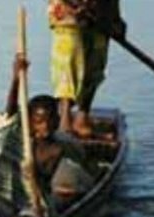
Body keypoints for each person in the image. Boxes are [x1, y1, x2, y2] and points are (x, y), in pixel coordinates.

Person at [0, 54, 96, 217]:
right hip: (7, 193)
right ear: (29, 121)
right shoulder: (19, 136)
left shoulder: (57, 149)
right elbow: (11, 109)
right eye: (39, 121)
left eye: (50, 120)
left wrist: (33, 178)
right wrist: (16, 77)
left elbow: (45, 187)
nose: (45, 126)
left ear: (57, 120)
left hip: (34, 200)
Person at [49, 0, 126, 137]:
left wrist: (115, 18)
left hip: (100, 17)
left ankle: (82, 117)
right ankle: (65, 120)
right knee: (67, 65)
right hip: (68, 17)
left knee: (94, 66)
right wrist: (75, 6)